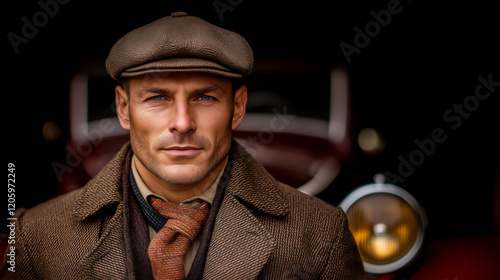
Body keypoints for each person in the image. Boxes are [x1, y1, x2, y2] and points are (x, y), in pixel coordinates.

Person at [1, 12, 365, 279]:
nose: (182, 122)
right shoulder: (35, 236)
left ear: (237, 108)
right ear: (124, 109)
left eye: (205, 98)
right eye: (157, 97)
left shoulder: (320, 234)